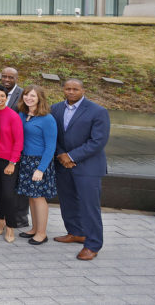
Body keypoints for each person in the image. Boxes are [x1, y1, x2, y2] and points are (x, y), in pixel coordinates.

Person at [51, 78, 110, 261]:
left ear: (83, 90)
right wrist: (62, 155)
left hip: (88, 167)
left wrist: (72, 156)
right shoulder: (56, 109)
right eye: (67, 89)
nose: (71, 92)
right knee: (68, 202)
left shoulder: (98, 111)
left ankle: (92, 245)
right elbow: (55, 135)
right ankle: (75, 232)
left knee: (89, 206)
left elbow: (98, 141)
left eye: (75, 89)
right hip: (63, 164)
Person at [16, 85, 58, 246]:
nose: (29, 98)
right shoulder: (23, 114)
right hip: (25, 160)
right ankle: (34, 228)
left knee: (39, 198)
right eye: (26, 95)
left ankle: (42, 233)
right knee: (31, 197)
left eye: (33, 96)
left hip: (39, 162)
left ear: (40, 98)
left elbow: (50, 146)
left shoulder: (47, 119)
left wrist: (41, 169)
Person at [0, 84, 24, 243]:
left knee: (8, 195)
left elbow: (19, 141)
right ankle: (1, 220)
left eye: (2, 96)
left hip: (8, 160)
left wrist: (12, 163)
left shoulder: (13, 116)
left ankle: (11, 227)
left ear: (7, 97)